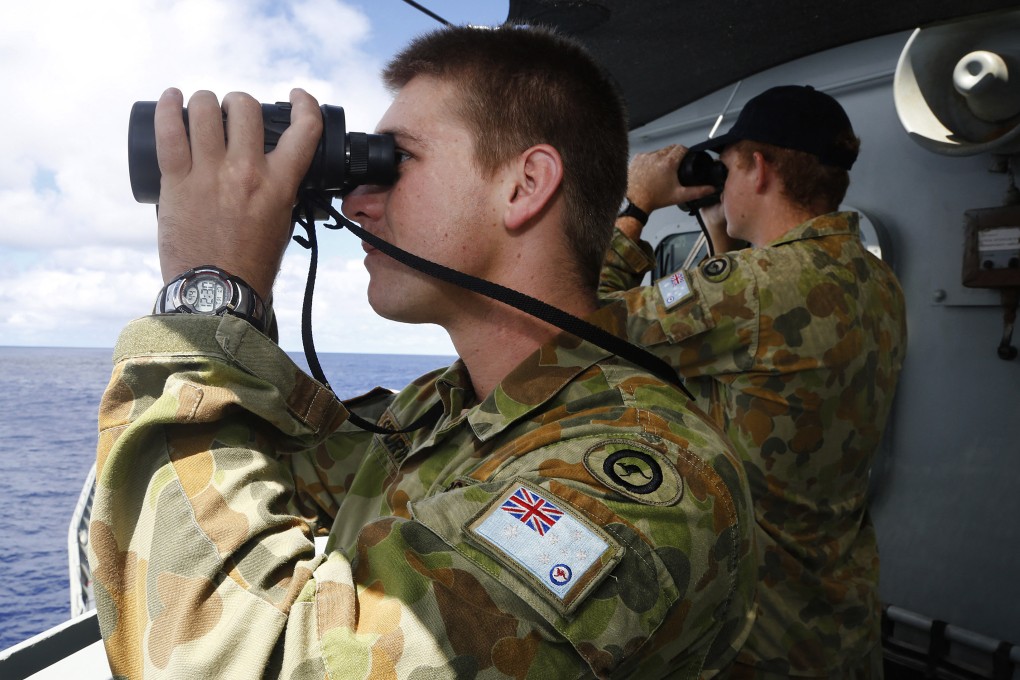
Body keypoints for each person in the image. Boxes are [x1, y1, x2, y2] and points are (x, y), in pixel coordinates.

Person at [88, 25, 757, 679]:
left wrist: (205, 290)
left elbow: (233, 659)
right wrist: (238, 257)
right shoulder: (441, 407)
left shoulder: (641, 481)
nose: (355, 197)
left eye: (394, 158)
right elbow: (259, 473)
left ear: (525, 186)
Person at [600, 85, 908, 678]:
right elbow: (745, 346)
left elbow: (582, 323)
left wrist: (636, 203)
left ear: (759, 168)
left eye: (730, 168)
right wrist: (721, 234)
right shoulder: (873, 278)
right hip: (838, 615)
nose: (725, 182)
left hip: (755, 631)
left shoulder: (753, 286)